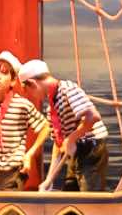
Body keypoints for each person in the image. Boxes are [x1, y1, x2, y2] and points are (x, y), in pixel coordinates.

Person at [20, 59, 107, 192]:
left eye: (28, 90)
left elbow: (93, 116)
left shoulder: (68, 89)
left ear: (32, 83)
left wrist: (71, 138)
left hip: (91, 147)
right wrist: (49, 180)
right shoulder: (52, 107)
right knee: (70, 193)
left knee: (89, 197)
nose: (31, 95)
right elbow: (58, 145)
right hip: (75, 150)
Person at [0, 51, 50, 191]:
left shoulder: (22, 104)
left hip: (13, 172)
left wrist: (30, 153)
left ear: (13, 81)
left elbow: (45, 126)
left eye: (4, 73)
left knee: (6, 204)